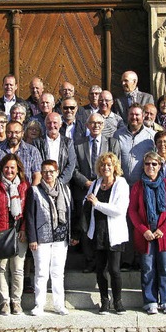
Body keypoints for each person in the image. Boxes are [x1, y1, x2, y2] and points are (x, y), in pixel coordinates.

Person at [129, 152, 166, 315]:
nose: (150, 167)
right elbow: (133, 211)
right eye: (147, 164)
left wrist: (162, 229)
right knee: (148, 268)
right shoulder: (138, 186)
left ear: (160, 166)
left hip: (165, 233)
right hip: (146, 234)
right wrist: (144, 230)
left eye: (154, 164)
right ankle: (150, 300)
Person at [72, 113, 122, 273]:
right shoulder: (78, 144)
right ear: (87, 125)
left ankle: (106, 261)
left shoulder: (112, 143)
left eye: (99, 123)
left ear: (104, 125)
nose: (96, 126)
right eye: (92, 123)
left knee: (104, 224)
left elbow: (117, 166)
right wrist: (87, 183)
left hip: (107, 188)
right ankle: (90, 260)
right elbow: (74, 168)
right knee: (87, 223)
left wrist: (104, 183)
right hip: (85, 188)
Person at [83, 152, 129, 315]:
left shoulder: (121, 184)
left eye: (109, 164)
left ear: (114, 166)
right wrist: (88, 201)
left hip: (114, 233)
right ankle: (104, 300)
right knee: (100, 269)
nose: (106, 167)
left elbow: (119, 210)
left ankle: (118, 301)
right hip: (98, 231)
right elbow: (88, 202)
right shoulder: (96, 183)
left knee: (114, 270)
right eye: (103, 165)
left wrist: (97, 204)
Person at [0, 154, 30, 315]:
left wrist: (24, 228)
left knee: (18, 269)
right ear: (1, 169)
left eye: (12, 167)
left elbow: (27, 211)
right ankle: (4, 301)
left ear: (18, 169)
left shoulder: (24, 186)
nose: (9, 170)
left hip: (19, 232)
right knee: (2, 268)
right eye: (6, 167)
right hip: (0, 231)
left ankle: (16, 301)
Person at [26, 160, 73, 316]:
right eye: (45, 171)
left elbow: (71, 211)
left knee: (58, 272)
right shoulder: (34, 191)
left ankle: (59, 305)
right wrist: (32, 238)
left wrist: (72, 234)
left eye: (51, 171)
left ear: (57, 172)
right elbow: (30, 216)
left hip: (61, 237)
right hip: (42, 238)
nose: (48, 174)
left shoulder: (65, 190)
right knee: (41, 272)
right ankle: (39, 304)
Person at [114, 103, 156, 271]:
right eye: (132, 115)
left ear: (143, 116)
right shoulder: (118, 135)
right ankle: (127, 259)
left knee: (141, 221)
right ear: (127, 115)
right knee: (125, 223)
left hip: (142, 185)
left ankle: (141, 258)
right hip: (123, 186)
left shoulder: (150, 136)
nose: (135, 118)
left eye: (138, 115)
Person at [0, 121, 42, 185]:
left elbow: (38, 175)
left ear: (22, 133)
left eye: (17, 132)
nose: (13, 135)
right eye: (10, 132)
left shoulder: (32, 151)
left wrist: (32, 192)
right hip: (1, 191)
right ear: (6, 133)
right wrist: (0, 186)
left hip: (26, 192)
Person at [32, 112, 77, 184]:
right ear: (45, 124)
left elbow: (71, 164)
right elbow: (37, 164)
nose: (52, 125)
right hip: (43, 184)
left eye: (55, 122)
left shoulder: (68, 142)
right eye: (49, 123)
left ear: (60, 124)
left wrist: (59, 182)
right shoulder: (37, 142)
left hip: (62, 185)